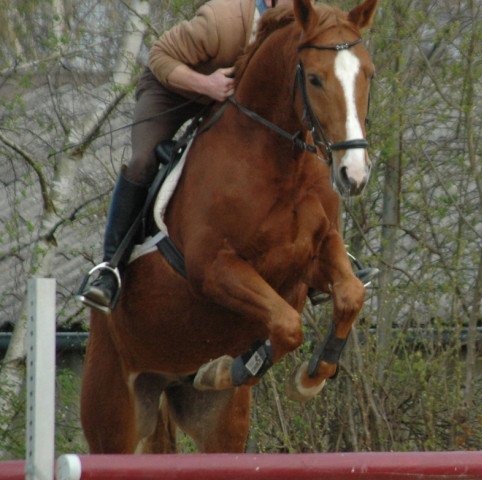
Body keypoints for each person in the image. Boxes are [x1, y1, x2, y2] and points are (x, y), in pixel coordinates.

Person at [79, 0, 377, 313]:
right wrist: (206, 84)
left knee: (310, 152)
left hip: (237, 98)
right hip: (176, 88)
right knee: (142, 160)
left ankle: (328, 257)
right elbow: (159, 56)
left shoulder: (312, 18)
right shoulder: (222, 19)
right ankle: (110, 267)